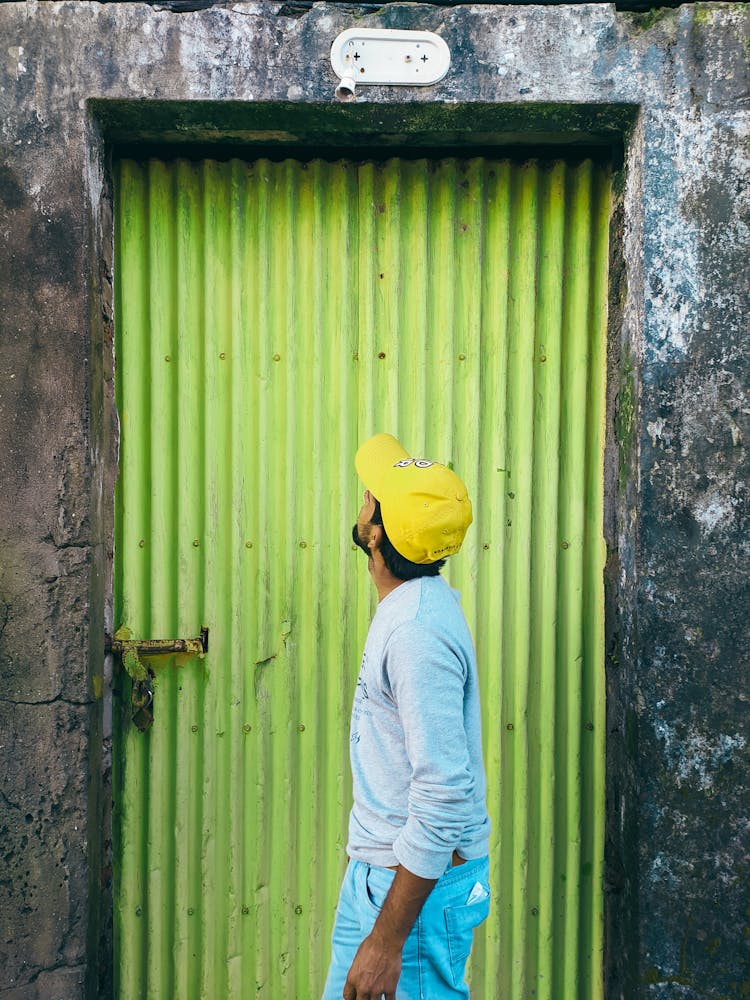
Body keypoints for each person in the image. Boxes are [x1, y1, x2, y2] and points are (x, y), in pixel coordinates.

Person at [322, 433, 491, 1000]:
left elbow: (444, 794)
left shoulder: (417, 633)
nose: (364, 499)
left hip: (409, 899)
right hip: (383, 882)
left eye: (373, 497)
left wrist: (387, 941)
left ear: (379, 531)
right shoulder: (410, 608)